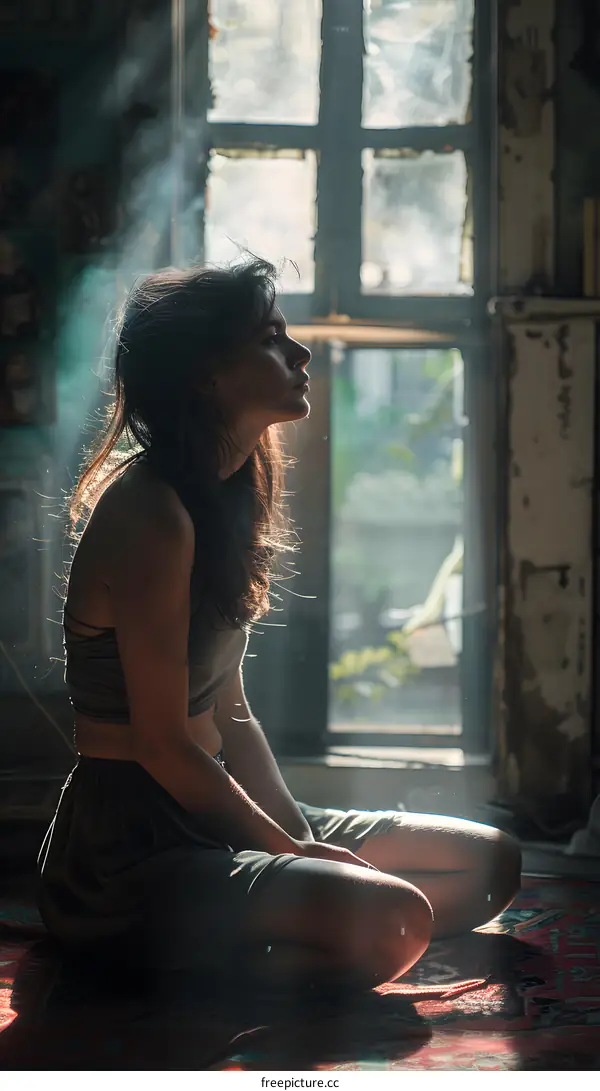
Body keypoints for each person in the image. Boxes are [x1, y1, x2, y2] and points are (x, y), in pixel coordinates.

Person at [37, 258, 521, 991]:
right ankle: (182, 961)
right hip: (132, 845)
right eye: (269, 338)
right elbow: (164, 746)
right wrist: (294, 853)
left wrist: (300, 835)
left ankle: (271, 940)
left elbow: (230, 710)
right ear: (206, 375)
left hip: (215, 803)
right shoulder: (151, 514)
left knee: (491, 865)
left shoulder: (226, 495)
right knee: (398, 920)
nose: (299, 354)